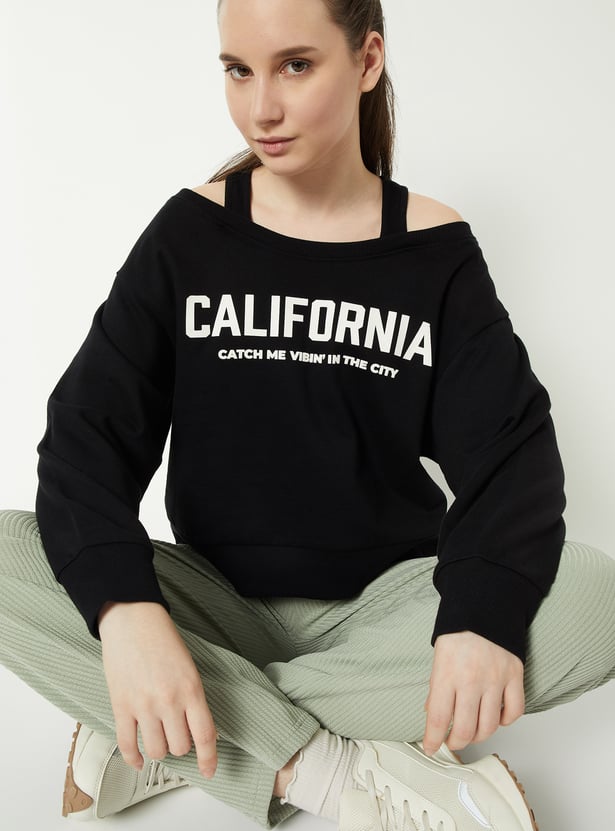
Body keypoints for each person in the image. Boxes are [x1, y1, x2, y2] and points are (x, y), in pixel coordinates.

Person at [1, 0, 614, 829]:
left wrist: (475, 618)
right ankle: (332, 770)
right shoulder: (190, 234)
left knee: (595, 599)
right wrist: (129, 615)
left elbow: (513, 461)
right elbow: (86, 441)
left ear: (366, 61)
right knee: (5, 553)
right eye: (237, 70)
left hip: (387, 613)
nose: (261, 107)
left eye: (295, 65)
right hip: (214, 603)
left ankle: (161, 731)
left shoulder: (432, 250)